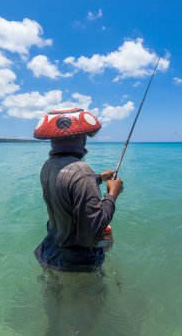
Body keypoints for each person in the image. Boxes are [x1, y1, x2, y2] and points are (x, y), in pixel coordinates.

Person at [33, 107, 123, 273]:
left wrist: (98, 178)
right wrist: (113, 194)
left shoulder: (48, 166)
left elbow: (65, 187)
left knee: (54, 296)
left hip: (52, 249)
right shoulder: (82, 172)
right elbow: (94, 230)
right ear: (80, 138)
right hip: (76, 261)